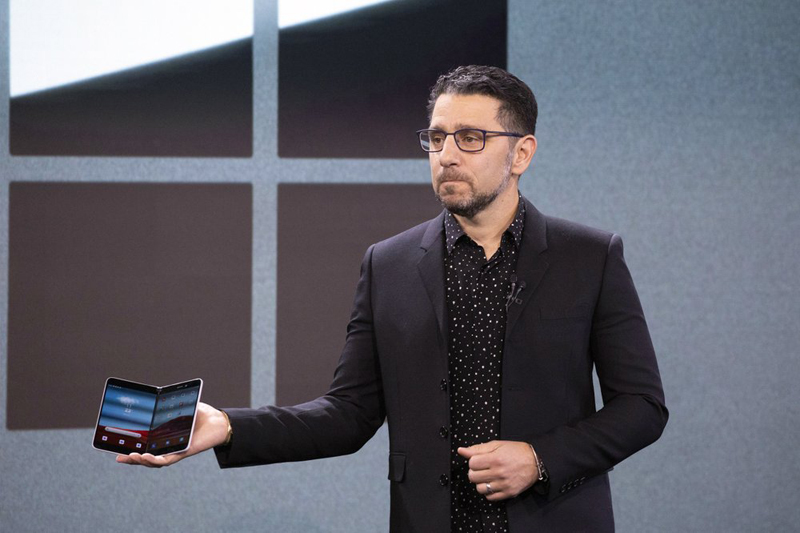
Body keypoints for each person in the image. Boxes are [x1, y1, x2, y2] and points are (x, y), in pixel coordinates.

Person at [119, 65, 668, 532]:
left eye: (470, 138)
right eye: (437, 137)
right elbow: (348, 414)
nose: (447, 155)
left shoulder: (590, 257)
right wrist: (228, 426)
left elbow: (641, 407)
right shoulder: (389, 264)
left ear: (521, 153)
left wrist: (540, 459)